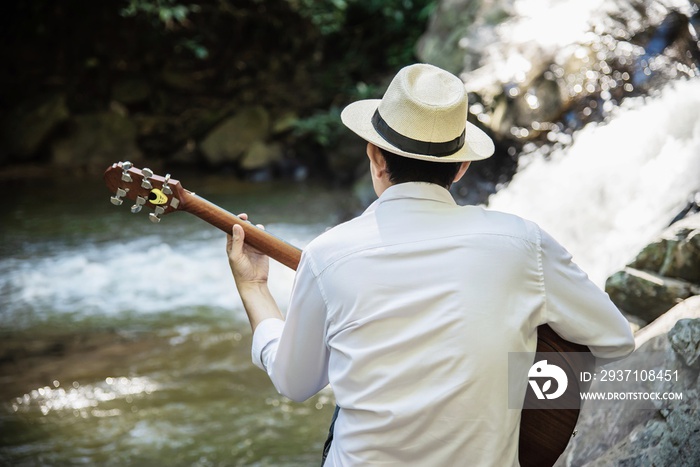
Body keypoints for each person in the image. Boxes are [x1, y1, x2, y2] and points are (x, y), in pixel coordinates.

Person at [226, 63, 635, 466]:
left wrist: (255, 287)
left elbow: (294, 382)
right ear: (461, 166)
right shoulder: (524, 245)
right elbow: (615, 339)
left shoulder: (328, 254)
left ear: (375, 156)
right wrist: (523, 403)